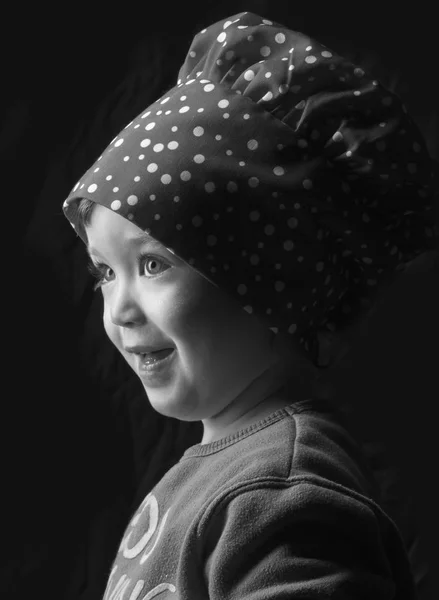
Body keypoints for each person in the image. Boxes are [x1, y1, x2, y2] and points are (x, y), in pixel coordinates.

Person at [62, 11, 437, 599]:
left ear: (269, 282)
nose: (119, 309)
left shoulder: (282, 494)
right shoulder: (231, 469)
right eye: (104, 272)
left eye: (153, 264)